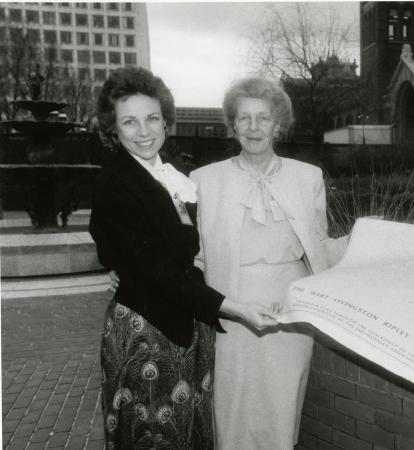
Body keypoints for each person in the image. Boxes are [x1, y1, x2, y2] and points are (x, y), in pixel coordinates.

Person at [90, 67, 278, 449]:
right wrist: (231, 307)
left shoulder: (165, 174)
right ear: (114, 128)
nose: (143, 131)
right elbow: (155, 269)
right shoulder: (116, 182)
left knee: (185, 432)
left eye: (152, 118)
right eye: (129, 122)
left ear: (165, 122)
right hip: (148, 333)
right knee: (155, 437)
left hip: (182, 327)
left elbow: (174, 254)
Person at [189, 76, 348, 449]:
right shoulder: (203, 181)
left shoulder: (307, 178)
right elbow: (191, 255)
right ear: (233, 126)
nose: (254, 127)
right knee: (232, 409)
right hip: (231, 310)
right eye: (244, 118)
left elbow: (320, 245)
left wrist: (368, 247)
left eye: (263, 118)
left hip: (287, 315)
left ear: (279, 125)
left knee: (281, 409)